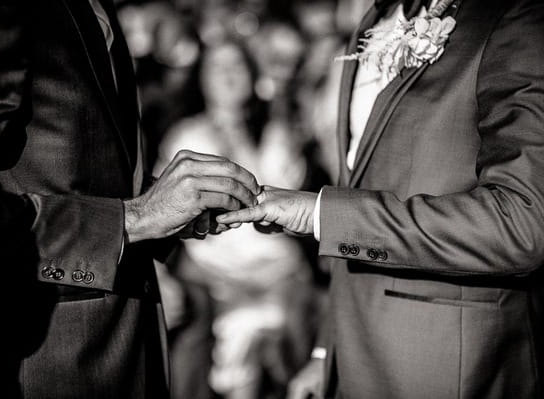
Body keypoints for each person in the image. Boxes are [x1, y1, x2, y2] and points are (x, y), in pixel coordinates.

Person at [219, 0, 544, 397]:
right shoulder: (373, 21)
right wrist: (327, 352)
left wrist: (322, 215)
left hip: (446, 366)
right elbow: (361, 177)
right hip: (355, 353)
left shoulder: (513, 18)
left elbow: (523, 223)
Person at [0, 0, 260, 398]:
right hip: (39, 359)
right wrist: (136, 218)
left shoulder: (95, 8)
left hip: (125, 347)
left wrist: (172, 202)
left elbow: (83, 170)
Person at [155, 39, 319, 399]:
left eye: (237, 65)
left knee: (281, 317)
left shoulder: (275, 128)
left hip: (277, 269)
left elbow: (288, 182)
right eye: (217, 66)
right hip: (214, 273)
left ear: (252, 74)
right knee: (242, 326)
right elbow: (163, 210)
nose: (228, 75)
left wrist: (268, 118)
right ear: (201, 79)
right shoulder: (186, 135)